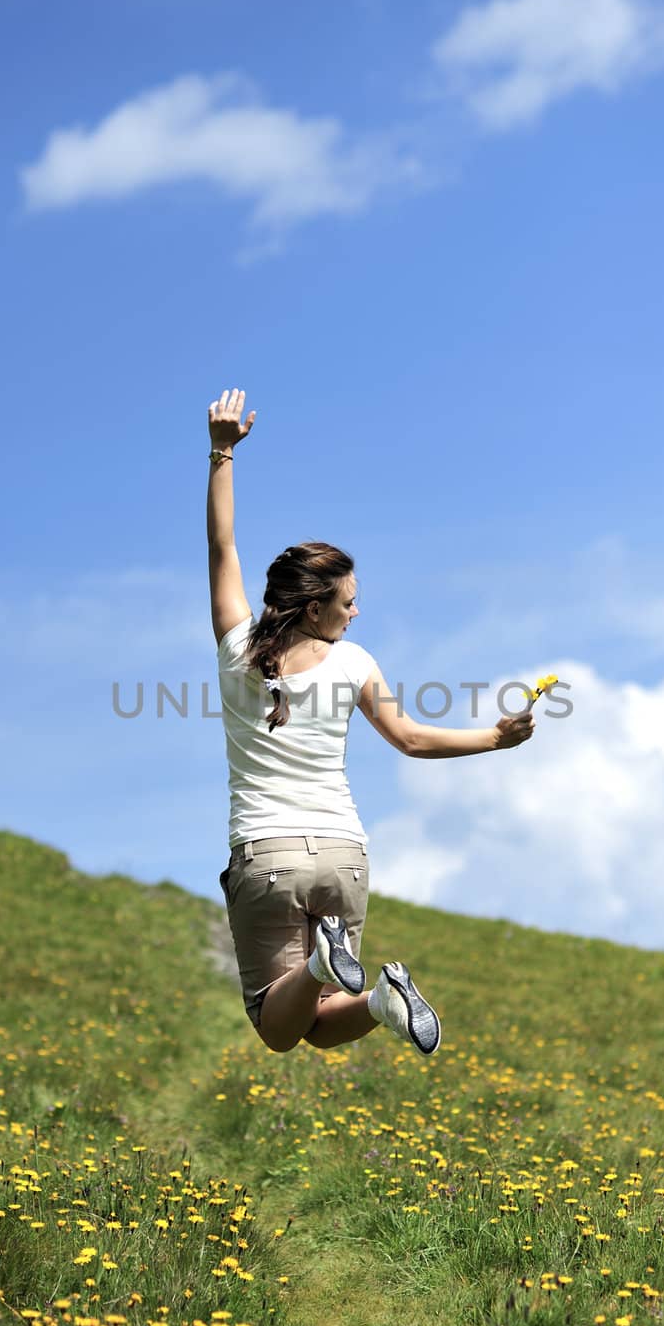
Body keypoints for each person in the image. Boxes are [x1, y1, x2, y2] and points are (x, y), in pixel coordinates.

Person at [207, 386, 536, 1057]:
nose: (355, 613)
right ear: (312, 608)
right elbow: (411, 739)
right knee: (321, 1030)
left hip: (267, 857)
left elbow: (222, 548)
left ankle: (325, 967)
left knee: (277, 1031)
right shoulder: (353, 663)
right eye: (347, 603)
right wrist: (492, 740)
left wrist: (221, 452)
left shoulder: (236, 646)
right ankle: (381, 997)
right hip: (342, 856)